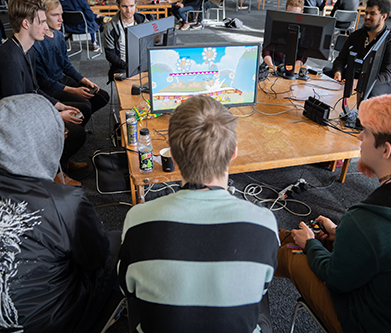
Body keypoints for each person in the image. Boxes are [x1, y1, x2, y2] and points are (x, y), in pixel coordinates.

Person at [275, 94, 391, 333]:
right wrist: (343, 235)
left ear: (386, 150)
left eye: (366, 132)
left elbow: (335, 279)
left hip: (375, 324)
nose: (359, 136)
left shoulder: (366, 218)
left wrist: (310, 245)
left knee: (290, 249)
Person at [0, 94, 122, 333]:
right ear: (45, 139)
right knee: (116, 241)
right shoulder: (66, 201)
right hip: (43, 324)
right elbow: (96, 258)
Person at [119, 95, 279, 332]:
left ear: (171, 154)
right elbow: (263, 287)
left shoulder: (138, 219)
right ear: (233, 153)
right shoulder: (265, 223)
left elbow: (127, 288)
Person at [0, 0, 88, 186]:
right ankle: (53, 172)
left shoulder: (25, 50)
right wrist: (55, 119)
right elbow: (18, 118)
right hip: (11, 129)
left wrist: (60, 106)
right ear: (26, 23)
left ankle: (60, 164)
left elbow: (34, 90)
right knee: (76, 134)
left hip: (23, 114)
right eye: (41, 21)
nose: (45, 26)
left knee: (76, 115)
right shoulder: (9, 61)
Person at [33, 0, 109, 126]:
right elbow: (44, 81)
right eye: (55, 15)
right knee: (86, 105)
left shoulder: (58, 35)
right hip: (49, 87)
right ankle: (69, 127)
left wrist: (83, 79)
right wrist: (74, 90)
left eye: (61, 15)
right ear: (43, 16)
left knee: (102, 96)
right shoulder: (36, 44)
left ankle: (75, 123)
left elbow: (66, 65)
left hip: (62, 79)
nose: (61, 19)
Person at [327, 0, 391, 98]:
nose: (367, 17)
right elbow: (341, 59)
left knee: (369, 92)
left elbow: (386, 74)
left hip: (382, 80)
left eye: (372, 14)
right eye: (366, 13)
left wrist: (360, 83)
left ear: (383, 16)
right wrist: (338, 72)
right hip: (360, 73)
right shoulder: (356, 35)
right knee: (327, 76)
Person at [103, 0, 148, 81]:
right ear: (118, 6)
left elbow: (150, 42)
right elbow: (110, 55)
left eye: (131, 6)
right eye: (124, 6)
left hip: (143, 62)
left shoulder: (143, 21)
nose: (129, 10)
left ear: (135, 5)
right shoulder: (110, 28)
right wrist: (128, 66)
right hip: (122, 66)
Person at [261, 0, 306, 70]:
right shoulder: (275, 25)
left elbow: (302, 57)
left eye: (296, 15)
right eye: (290, 14)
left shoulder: (304, 30)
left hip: (294, 64)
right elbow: (266, 52)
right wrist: (272, 67)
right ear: (285, 11)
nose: (292, 18)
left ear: (301, 13)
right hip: (274, 62)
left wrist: (292, 69)